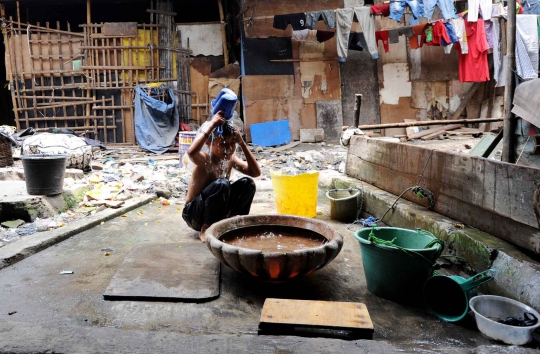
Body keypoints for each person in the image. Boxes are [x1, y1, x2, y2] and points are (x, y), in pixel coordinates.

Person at [182, 112, 261, 242]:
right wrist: (212, 124)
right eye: (223, 144)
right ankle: (206, 228)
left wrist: (242, 143)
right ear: (209, 143)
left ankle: (234, 221)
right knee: (222, 184)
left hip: (213, 210)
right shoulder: (205, 160)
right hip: (193, 214)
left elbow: (255, 172)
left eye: (232, 143)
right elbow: (191, 153)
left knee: (248, 183)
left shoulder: (230, 159)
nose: (228, 149)